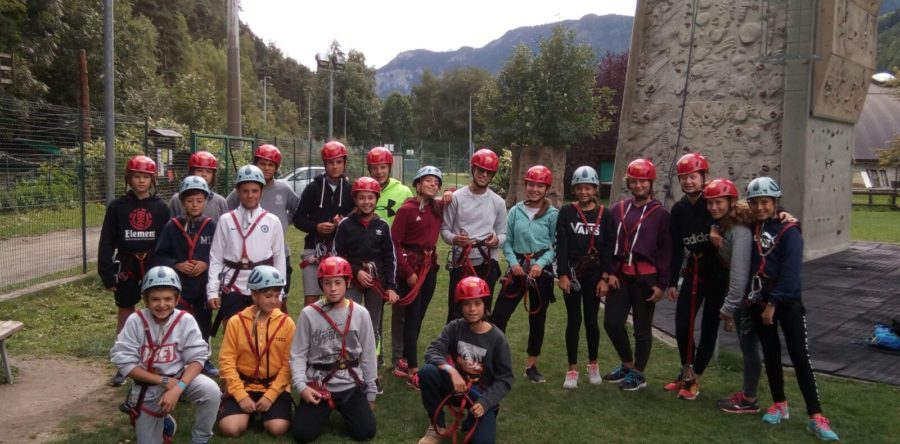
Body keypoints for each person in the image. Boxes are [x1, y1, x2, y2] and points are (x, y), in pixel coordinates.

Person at [743, 177, 839, 441]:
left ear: (775, 202)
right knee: (771, 355)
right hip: (759, 300)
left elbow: (791, 272)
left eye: (765, 202)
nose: (760, 207)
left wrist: (773, 304)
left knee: (799, 357)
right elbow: (729, 214)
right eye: (756, 202)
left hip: (786, 303)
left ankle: (816, 415)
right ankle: (779, 404)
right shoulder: (753, 225)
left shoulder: (790, 230)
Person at [109, 266, 221, 444]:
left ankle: (200, 439)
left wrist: (177, 388)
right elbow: (125, 364)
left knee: (211, 390)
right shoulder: (135, 321)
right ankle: (164, 422)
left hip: (180, 379)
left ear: (177, 299)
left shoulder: (185, 320)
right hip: (148, 384)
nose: (162, 305)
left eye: (168, 298)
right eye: (155, 299)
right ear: (145, 299)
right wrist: (164, 382)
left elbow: (198, 358)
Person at [99, 155, 171, 386]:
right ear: (129, 179)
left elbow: (168, 239)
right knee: (125, 312)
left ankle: (163, 360)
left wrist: (168, 268)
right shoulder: (118, 207)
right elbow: (106, 241)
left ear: (152, 180)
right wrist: (107, 273)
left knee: (161, 310)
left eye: (145, 177)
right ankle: (124, 364)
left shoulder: (160, 207)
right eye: (136, 176)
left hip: (154, 262)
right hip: (127, 264)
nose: (141, 181)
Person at [416, 276, 513, 444]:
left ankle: (474, 419)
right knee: (427, 372)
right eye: (466, 304)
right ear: (460, 307)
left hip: (481, 396)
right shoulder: (455, 327)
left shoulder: (498, 338)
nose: (472, 309)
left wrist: (486, 402)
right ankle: (437, 425)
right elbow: (433, 351)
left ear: (485, 305)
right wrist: (451, 370)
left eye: (477, 303)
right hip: (455, 388)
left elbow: (505, 379)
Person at [290, 256, 378, 443]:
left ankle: (347, 410)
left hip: (350, 384)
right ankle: (321, 411)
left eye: (338, 282)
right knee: (302, 434)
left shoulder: (360, 313)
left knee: (366, 432)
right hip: (318, 386)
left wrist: (370, 392)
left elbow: (369, 355)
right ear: (321, 284)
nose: (333, 288)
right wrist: (302, 387)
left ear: (347, 282)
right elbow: (298, 354)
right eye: (327, 283)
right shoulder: (309, 314)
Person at [603, 158, 672, 391]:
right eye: (634, 181)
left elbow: (665, 251)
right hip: (620, 276)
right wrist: (609, 272)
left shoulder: (661, 214)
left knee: (642, 329)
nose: (639, 185)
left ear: (650, 183)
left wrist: (662, 284)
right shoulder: (618, 209)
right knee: (612, 323)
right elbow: (608, 243)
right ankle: (627, 365)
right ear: (629, 183)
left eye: (643, 181)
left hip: (646, 278)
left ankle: (638, 375)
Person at [664, 152, 728, 400]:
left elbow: (742, 211)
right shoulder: (679, 209)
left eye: (693, 176)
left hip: (717, 271)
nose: (689, 181)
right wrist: (672, 281)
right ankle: (686, 371)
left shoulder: (714, 200)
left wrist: (784, 213)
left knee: (709, 325)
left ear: (704, 177)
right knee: (682, 323)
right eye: (684, 177)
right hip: (695, 268)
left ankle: (695, 377)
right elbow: (676, 247)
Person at [492, 165, 558, 384]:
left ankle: (531, 365)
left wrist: (540, 264)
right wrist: (513, 263)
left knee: (537, 319)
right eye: (531, 184)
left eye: (539, 185)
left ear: (546, 188)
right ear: (526, 185)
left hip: (540, 273)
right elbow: (507, 241)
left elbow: (554, 246)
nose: (534, 189)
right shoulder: (516, 211)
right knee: (499, 315)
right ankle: (495, 361)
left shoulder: (552, 214)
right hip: (517, 268)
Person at [702, 178, 762, 415]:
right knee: (748, 347)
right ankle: (748, 394)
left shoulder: (738, 232)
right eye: (710, 203)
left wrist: (728, 308)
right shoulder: (727, 226)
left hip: (747, 298)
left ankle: (749, 400)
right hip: (745, 296)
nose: (714, 207)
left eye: (719, 202)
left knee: (749, 348)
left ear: (731, 202)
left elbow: (739, 273)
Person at [207, 165, 286, 336]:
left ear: (262, 191)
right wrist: (213, 290)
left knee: (261, 334)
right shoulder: (226, 220)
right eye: (245, 191)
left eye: (254, 191)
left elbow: (279, 258)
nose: (250, 195)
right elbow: (216, 257)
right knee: (233, 333)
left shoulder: (272, 221)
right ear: (237, 191)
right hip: (232, 284)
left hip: (262, 285)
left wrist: (280, 292)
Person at [334, 176, 400, 380]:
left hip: (376, 282)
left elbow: (390, 258)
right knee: (349, 320)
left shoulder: (382, 226)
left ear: (376, 198)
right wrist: (356, 272)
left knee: (373, 324)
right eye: (361, 198)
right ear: (355, 199)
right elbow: (338, 255)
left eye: (370, 197)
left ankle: (373, 368)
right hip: (352, 280)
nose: (366, 202)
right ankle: (348, 365)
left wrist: (391, 286)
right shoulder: (345, 225)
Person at [218, 265, 295, 438]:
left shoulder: (287, 323)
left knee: (277, 429)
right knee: (230, 429)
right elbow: (226, 362)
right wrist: (240, 396)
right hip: (243, 384)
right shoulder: (236, 322)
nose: (275, 301)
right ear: (254, 295)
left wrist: (271, 395)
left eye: (277, 296)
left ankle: (263, 411)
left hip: (274, 385)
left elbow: (288, 365)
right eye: (268, 296)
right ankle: (245, 411)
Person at [555, 166, 615, 389]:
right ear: (574, 189)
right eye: (579, 188)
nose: (583, 192)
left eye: (588, 187)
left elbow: (609, 248)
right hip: (573, 272)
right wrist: (562, 274)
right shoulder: (566, 212)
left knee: (591, 320)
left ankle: (593, 364)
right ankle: (572, 368)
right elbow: (561, 244)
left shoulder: (605, 215)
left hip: (594, 275)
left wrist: (605, 277)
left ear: (595, 189)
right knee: (574, 321)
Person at [155, 176, 219, 377]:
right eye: (190, 200)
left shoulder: (212, 226)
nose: (194, 204)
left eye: (199, 200)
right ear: (182, 202)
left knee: (203, 324)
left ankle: (204, 359)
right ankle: (176, 362)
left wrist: (206, 263)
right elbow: (160, 254)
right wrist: (177, 265)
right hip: (179, 288)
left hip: (203, 285)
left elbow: (219, 254)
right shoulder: (171, 227)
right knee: (178, 324)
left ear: (206, 201)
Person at [227, 144, 299, 313]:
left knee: (279, 301)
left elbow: (298, 210)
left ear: (276, 167)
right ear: (255, 164)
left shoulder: (284, 189)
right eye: (262, 163)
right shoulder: (243, 190)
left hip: (280, 253)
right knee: (251, 303)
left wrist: (283, 222)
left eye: (271, 165)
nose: (266, 168)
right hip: (252, 255)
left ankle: (281, 336)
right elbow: (227, 210)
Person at [390, 166, 445, 387]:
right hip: (411, 268)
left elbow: (452, 195)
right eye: (428, 181)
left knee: (419, 315)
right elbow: (395, 242)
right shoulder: (407, 210)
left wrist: (449, 191)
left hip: (428, 266)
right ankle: (413, 369)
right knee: (411, 317)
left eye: (436, 182)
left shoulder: (436, 208)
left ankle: (404, 358)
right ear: (418, 184)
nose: (433, 185)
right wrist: (408, 272)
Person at [366, 146, 417, 381]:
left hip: (396, 255)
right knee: (372, 313)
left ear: (390, 167)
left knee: (400, 310)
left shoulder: (403, 191)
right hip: (373, 258)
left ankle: (399, 357)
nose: (378, 172)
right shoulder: (364, 189)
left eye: (383, 167)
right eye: (374, 167)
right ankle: (375, 356)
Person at [441, 148, 507, 323]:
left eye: (489, 172)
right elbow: (445, 230)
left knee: (483, 312)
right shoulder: (456, 198)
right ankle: (453, 350)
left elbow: (503, 233)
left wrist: (496, 240)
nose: (484, 175)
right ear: (473, 169)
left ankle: (481, 349)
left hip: (486, 262)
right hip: (461, 261)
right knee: (456, 311)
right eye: (481, 170)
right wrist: (455, 239)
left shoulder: (498, 202)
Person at [293, 141, 355, 307]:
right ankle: (311, 332)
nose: (334, 166)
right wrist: (316, 227)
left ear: (344, 163)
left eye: (338, 162)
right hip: (314, 249)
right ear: (325, 164)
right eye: (330, 162)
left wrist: (342, 223)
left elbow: (355, 220)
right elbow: (298, 218)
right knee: (312, 301)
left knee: (339, 299)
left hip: (340, 251)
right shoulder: (313, 188)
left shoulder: (351, 190)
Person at [168, 151, 228, 220]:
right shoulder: (177, 199)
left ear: (213, 175)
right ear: (191, 172)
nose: (204, 174)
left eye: (208, 172)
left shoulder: (220, 202)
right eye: (199, 170)